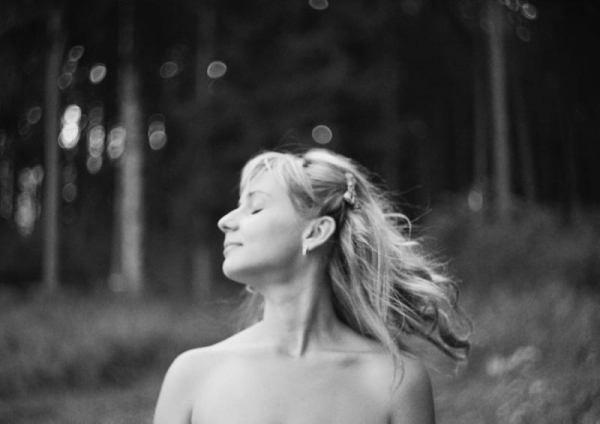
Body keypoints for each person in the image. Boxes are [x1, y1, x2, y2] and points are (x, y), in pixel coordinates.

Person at [154, 148, 470, 424]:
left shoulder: (395, 382)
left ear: (316, 232)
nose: (225, 221)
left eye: (256, 207)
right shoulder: (192, 375)